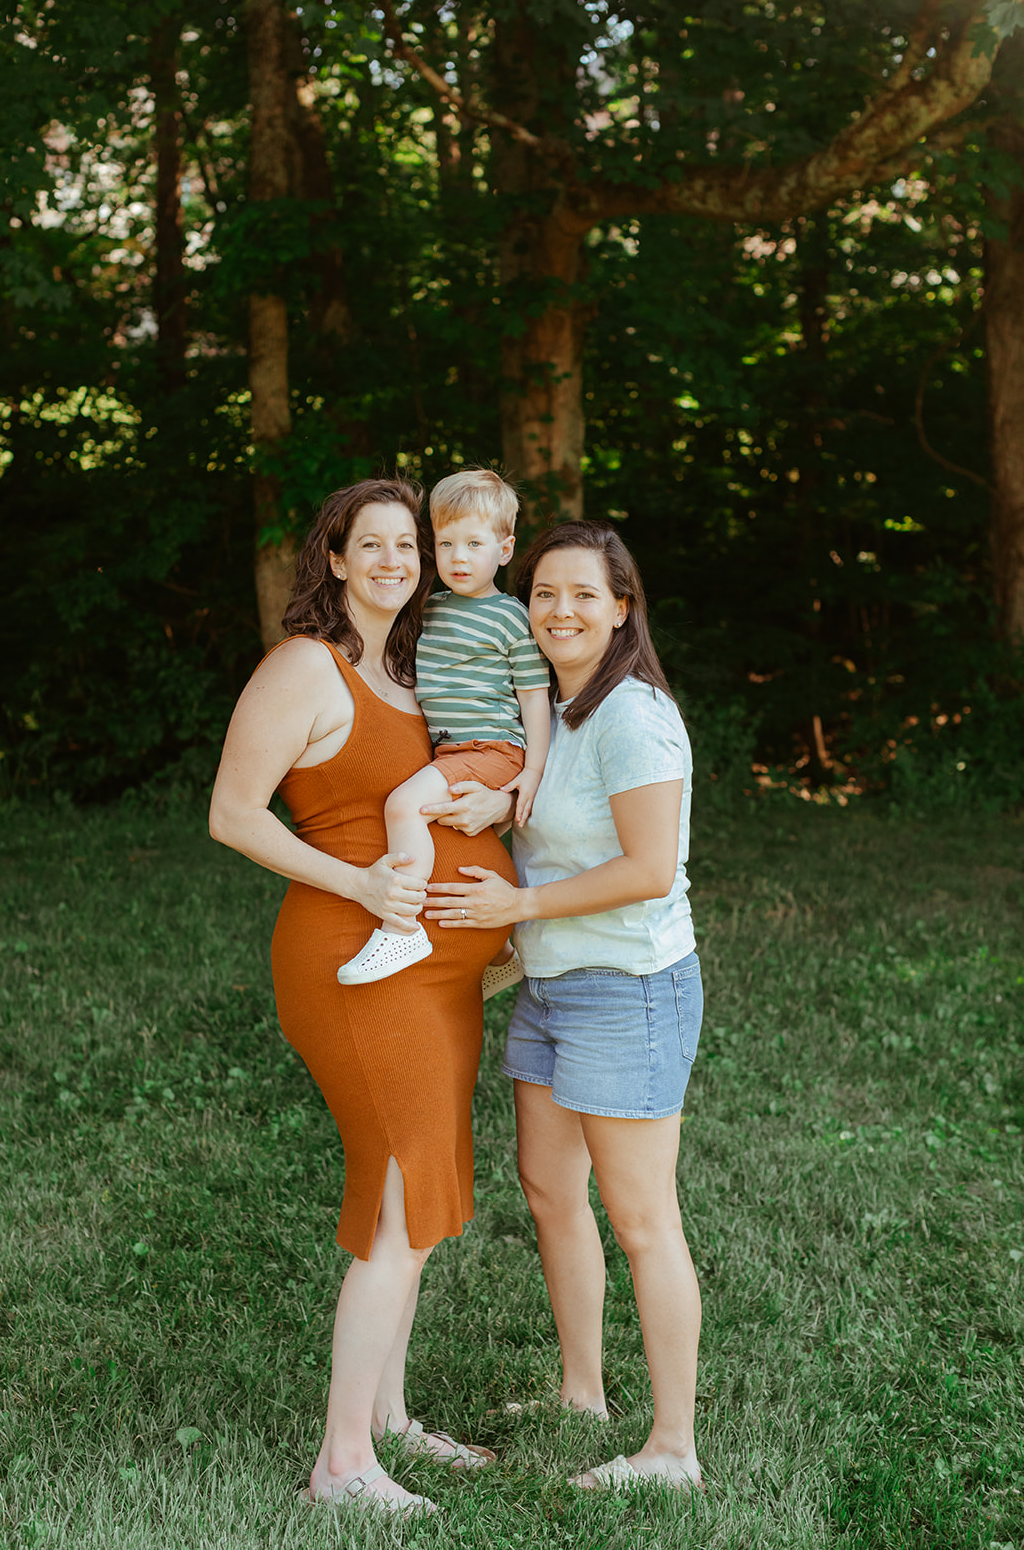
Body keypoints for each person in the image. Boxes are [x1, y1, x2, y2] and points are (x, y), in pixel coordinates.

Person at [208, 478, 514, 1516]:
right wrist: (358, 882)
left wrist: (497, 797)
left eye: (405, 544)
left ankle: (385, 1415)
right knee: (396, 1197)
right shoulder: (307, 665)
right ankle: (340, 1464)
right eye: (368, 544)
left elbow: (474, 768)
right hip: (352, 958)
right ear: (331, 560)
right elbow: (233, 813)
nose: (392, 559)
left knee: (412, 1197)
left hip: (435, 970)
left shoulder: (413, 668)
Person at [425, 519, 704, 1493]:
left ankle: (672, 1448)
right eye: (543, 591)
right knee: (547, 1189)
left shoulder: (632, 716)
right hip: (550, 982)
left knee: (641, 1218)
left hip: (626, 987)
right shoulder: (553, 708)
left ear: (621, 607)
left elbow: (645, 867)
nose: (560, 609)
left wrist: (519, 905)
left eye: (583, 593)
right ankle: (580, 1390)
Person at [337, 469, 550, 988]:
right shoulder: (428, 609)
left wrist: (533, 771)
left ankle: (400, 927)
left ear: (504, 549)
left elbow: (534, 698)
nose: (458, 557)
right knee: (450, 835)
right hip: (452, 749)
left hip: (492, 747)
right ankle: (500, 952)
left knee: (403, 806)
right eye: (447, 543)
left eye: (474, 543)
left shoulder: (511, 618)